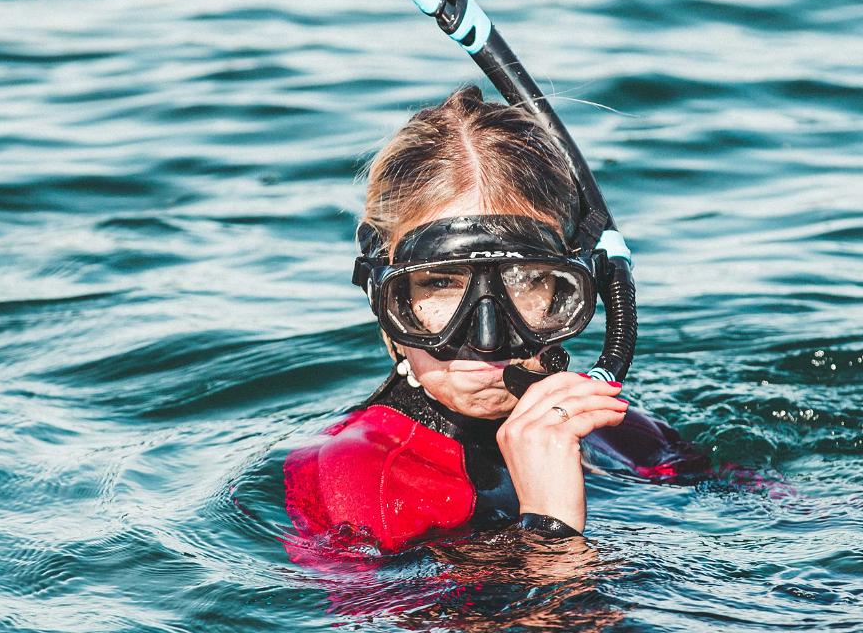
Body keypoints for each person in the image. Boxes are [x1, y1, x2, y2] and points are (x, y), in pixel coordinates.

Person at [283, 86, 706, 559]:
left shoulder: (613, 430)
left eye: (526, 282)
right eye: (440, 285)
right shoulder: (359, 474)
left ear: (579, 287)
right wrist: (551, 524)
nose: (487, 340)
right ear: (382, 295)